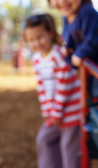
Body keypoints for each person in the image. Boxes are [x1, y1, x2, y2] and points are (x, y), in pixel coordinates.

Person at [23, 14, 81, 168]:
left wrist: (56, 111)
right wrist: (47, 111)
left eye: (40, 37)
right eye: (32, 40)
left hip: (71, 112)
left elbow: (64, 84)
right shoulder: (36, 60)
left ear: (50, 34)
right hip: (55, 113)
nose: (37, 42)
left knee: (69, 148)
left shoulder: (59, 56)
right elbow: (41, 87)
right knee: (44, 139)